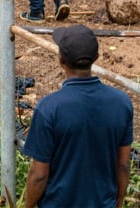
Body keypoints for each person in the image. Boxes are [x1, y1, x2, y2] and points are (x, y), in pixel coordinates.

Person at [22, 24, 133, 207]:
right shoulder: (121, 103)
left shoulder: (49, 108)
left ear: (61, 60)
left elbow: (39, 174)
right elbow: (123, 165)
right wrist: (118, 201)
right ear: (96, 58)